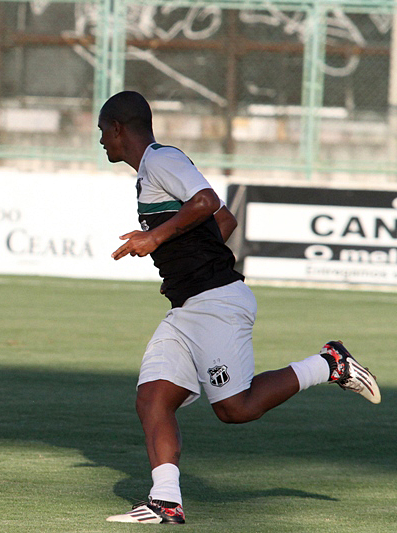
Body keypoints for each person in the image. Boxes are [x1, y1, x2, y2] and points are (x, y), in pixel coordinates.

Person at [97, 91, 381, 524]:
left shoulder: (160, 159)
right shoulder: (151, 172)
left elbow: (208, 202)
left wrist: (156, 239)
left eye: (102, 132)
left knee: (236, 408)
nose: (101, 141)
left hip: (214, 302)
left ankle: (329, 364)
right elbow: (223, 222)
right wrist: (185, 263)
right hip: (189, 305)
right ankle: (166, 501)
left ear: (118, 128)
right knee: (152, 397)